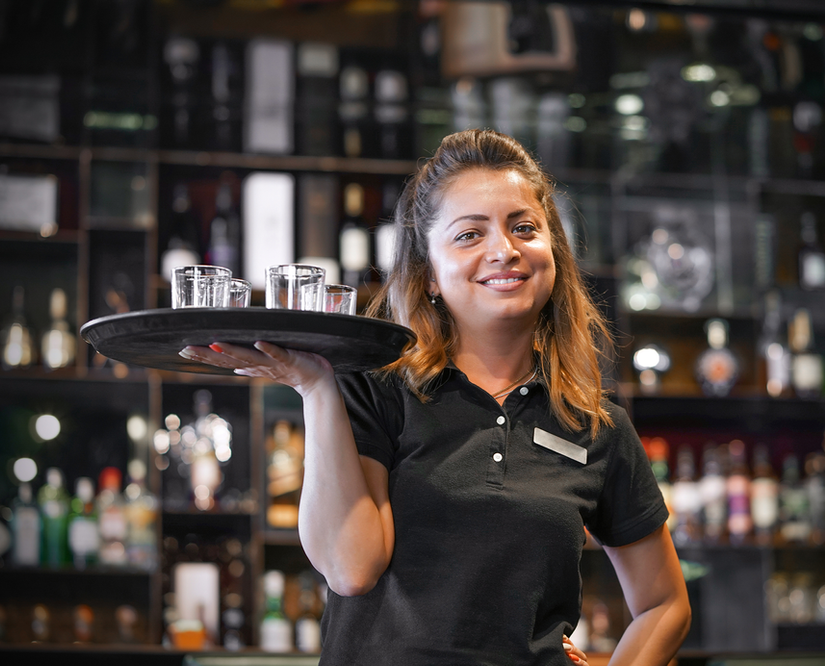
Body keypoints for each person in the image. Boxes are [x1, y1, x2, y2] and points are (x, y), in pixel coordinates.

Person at [180, 129, 690, 665]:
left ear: (553, 254)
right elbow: (352, 569)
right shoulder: (375, 387)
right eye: (469, 235)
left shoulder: (594, 424)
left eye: (524, 228)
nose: (504, 250)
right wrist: (315, 387)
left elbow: (664, 604)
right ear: (428, 276)